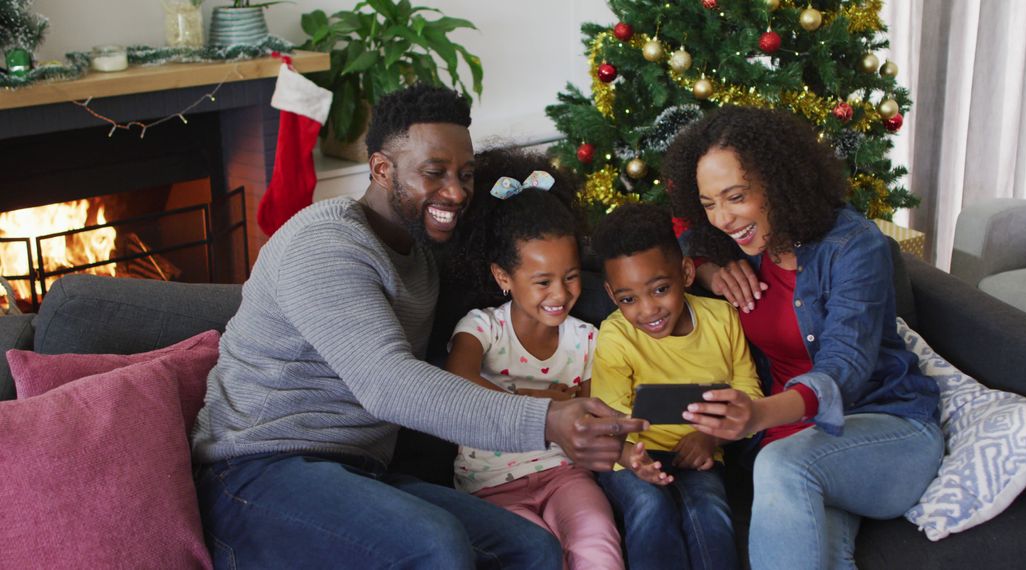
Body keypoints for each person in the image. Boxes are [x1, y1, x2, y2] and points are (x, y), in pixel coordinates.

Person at [189, 84, 646, 569]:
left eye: (465, 174)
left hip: (360, 473)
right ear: (382, 169)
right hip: (255, 475)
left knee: (532, 549)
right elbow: (387, 384)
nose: (455, 191)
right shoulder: (324, 245)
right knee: (434, 544)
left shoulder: (423, 252)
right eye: (434, 173)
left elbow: (538, 244)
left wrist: (693, 267)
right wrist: (549, 421)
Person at [666, 105, 944, 570]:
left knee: (779, 464)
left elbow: (844, 367)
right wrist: (711, 270)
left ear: (779, 181)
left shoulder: (855, 246)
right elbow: (678, 239)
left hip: (886, 429)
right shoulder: (743, 246)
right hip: (799, 443)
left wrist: (756, 414)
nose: (723, 219)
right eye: (710, 202)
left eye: (736, 197)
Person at [443, 147, 624, 570]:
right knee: (536, 551)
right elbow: (456, 385)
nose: (560, 294)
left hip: (564, 476)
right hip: (488, 487)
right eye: (542, 281)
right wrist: (543, 401)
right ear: (503, 277)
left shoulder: (587, 340)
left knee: (597, 538)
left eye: (571, 276)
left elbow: (591, 414)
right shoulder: (481, 329)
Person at [589, 203, 763, 570]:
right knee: (651, 507)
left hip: (701, 453)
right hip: (632, 458)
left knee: (710, 514)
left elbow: (750, 394)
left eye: (660, 289)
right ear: (611, 295)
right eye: (628, 299)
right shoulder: (616, 335)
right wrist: (633, 458)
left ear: (685, 272)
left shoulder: (721, 320)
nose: (648, 310)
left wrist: (711, 439)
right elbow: (610, 419)